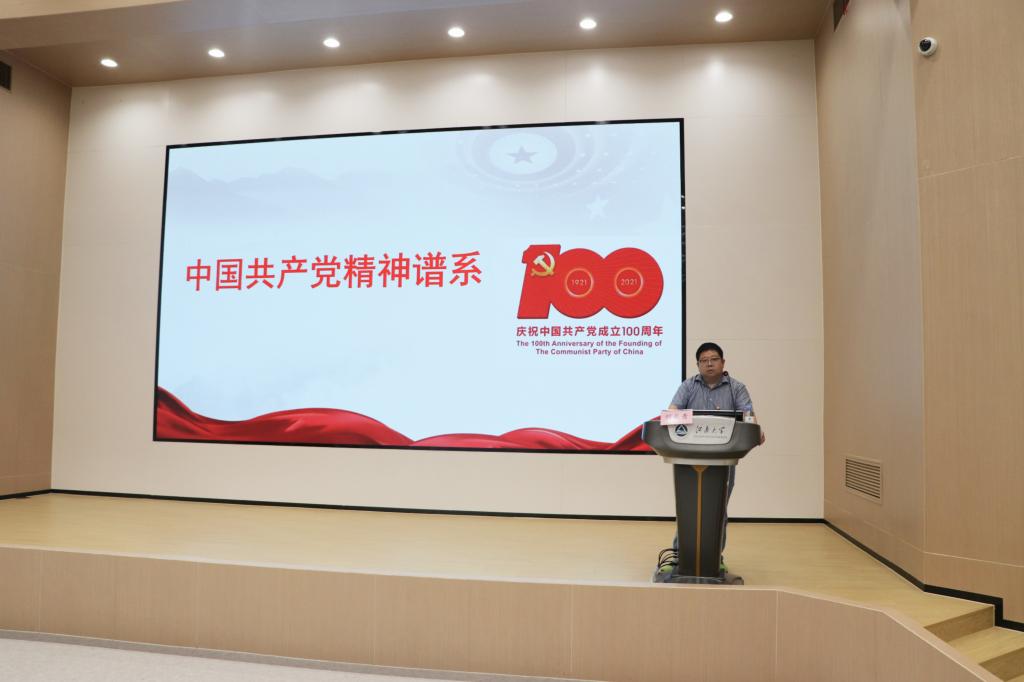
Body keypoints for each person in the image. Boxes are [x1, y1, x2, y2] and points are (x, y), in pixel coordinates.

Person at [660, 341, 764, 575]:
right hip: (688, 458)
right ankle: (680, 556)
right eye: (704, 360)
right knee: (688, 509)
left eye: (714, 359)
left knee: (717, 509)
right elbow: (671, 414)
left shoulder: (737, 388)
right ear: (698, 364)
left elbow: (749, 417)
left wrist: (755, 429)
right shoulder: (688, 386)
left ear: (723, 362)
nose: (709, 364)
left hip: (723, 459)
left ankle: (715, 556)